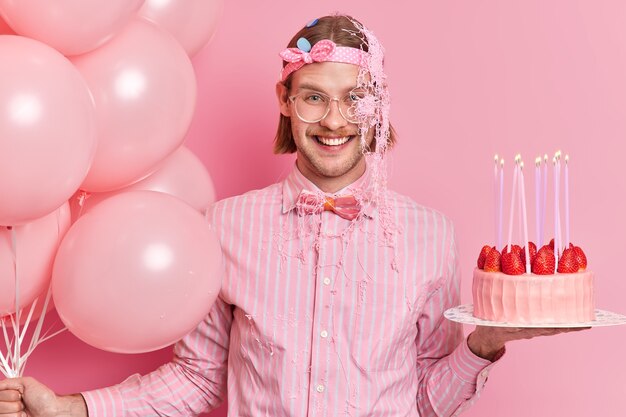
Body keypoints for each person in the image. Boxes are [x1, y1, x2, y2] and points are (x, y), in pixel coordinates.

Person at [0, 14, 581, 417]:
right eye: (314, 96)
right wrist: (70, 408)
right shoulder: (224, 226)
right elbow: (198, 379)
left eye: (355, 97)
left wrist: (484, 343)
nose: (335, 120)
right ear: (286, 99)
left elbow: (426, 401)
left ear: (378, 104)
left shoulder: (431, 235)